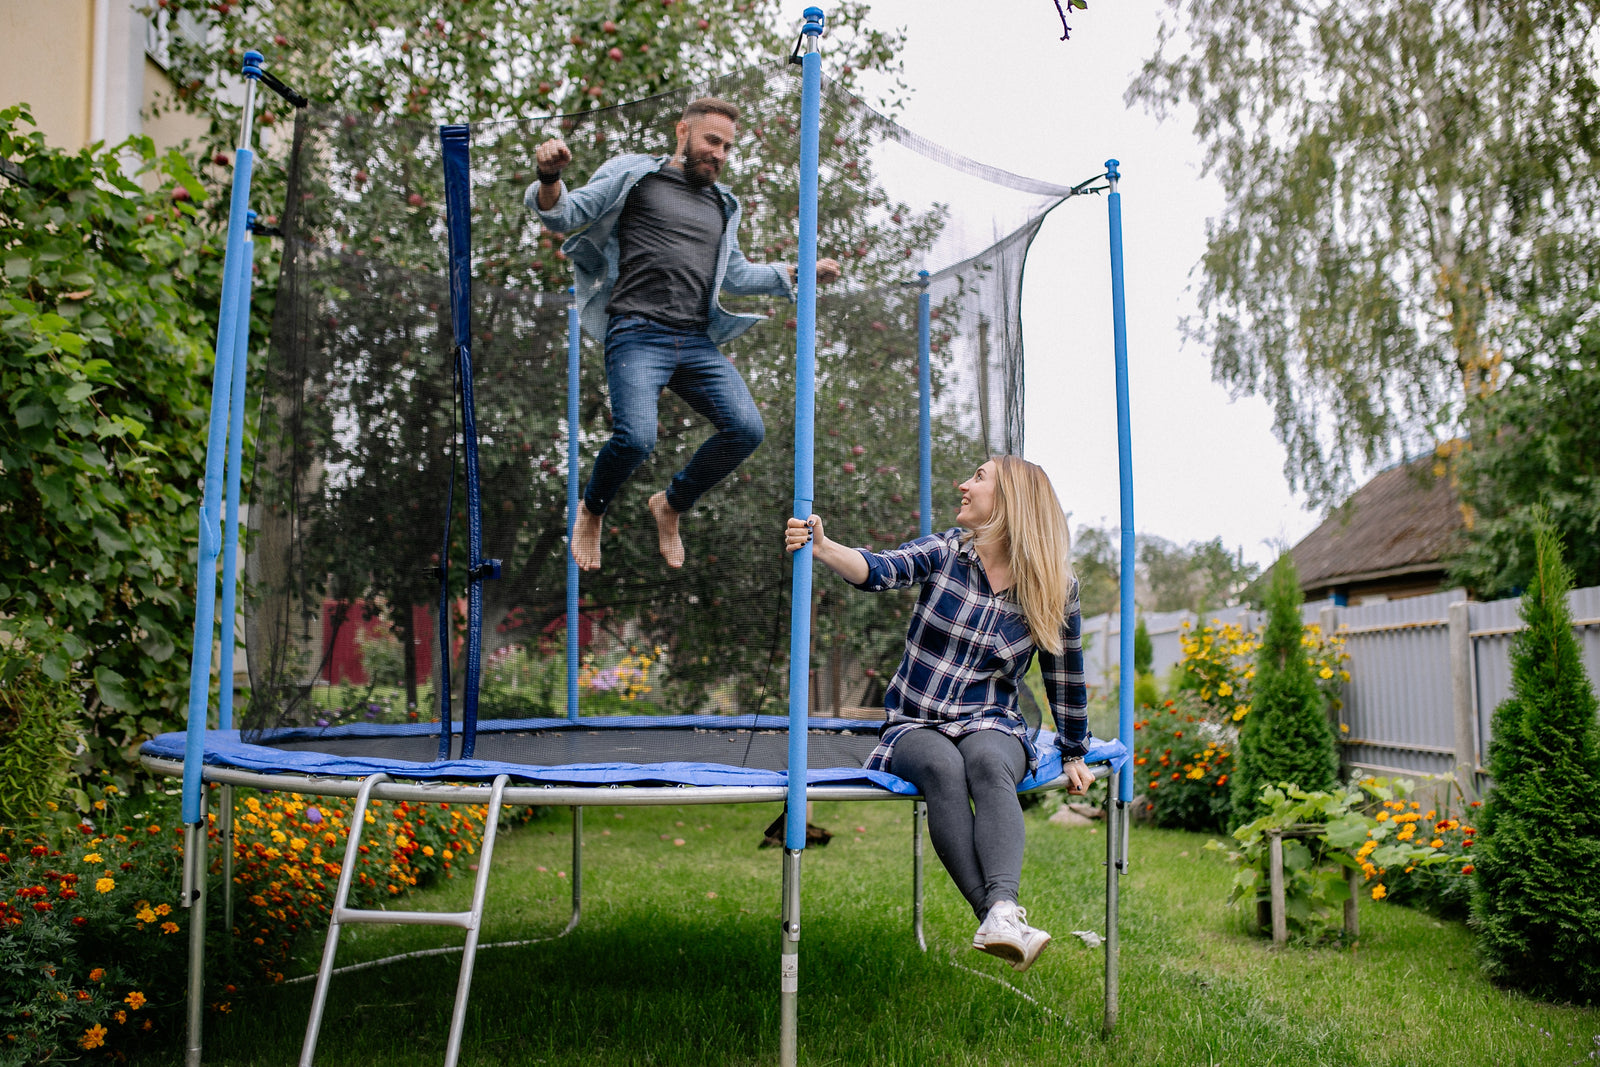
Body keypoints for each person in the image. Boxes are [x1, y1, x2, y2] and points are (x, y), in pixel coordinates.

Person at [784, 456, 1092, 972]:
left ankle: (1000, 912)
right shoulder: (946, 551)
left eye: (978, 478)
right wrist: (825, 546)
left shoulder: (1055, 585)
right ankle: (999, 913)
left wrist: (1075, 749)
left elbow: (1066, 675)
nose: (963, 485)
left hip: (991, 721)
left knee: (988, 765)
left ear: (1011, 501)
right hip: (913, 723)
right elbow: (880, 569)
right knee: (942, 768)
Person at [529, 96, 842, 571]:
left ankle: (671, 504)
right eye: (711, 140)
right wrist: (550, 178)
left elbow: (735, 274)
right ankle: (592, 509)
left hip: (694, 341)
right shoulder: (637, 176)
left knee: (746, 430)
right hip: (636, 332)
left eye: (727, 147)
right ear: (683, 133)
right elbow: (563, 214)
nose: (719, 153)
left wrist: (800, 273)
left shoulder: (723, 205)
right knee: (635, 440)